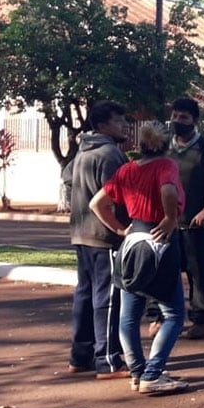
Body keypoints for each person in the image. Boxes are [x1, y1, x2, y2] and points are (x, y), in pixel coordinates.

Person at [89, 121, 189, 395]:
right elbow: (168, 190)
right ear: (166, 145)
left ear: (141, 145)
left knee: (129, 316)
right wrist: (170, 218)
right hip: (161, 242)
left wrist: (120, 229)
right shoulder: (166, 166)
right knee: (175, 314)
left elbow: (96, 203)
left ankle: (137, 372)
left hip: (132, 243)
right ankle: (153, 373)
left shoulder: (126, 170)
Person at [62, 100, 130, 379]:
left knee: (85, 294)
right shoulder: (110, 154)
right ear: (102, 125)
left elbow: (66, 180)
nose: (125, 125)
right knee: (108, 299)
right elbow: (118, 197)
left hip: (81, 233)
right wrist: (121, 228)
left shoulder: (82, 151)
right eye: (119, 121)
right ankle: (108, 360)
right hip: (104, 236)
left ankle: (80, 356)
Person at [166, 97, 204, 340]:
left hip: (196, 222)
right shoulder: (165, 147)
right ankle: (163, 317)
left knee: (198, 271)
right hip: (168, 222)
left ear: (194, 120)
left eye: (184, 117)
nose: (178, 121)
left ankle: (200, 318)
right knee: (166, 271)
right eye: (175, 116)